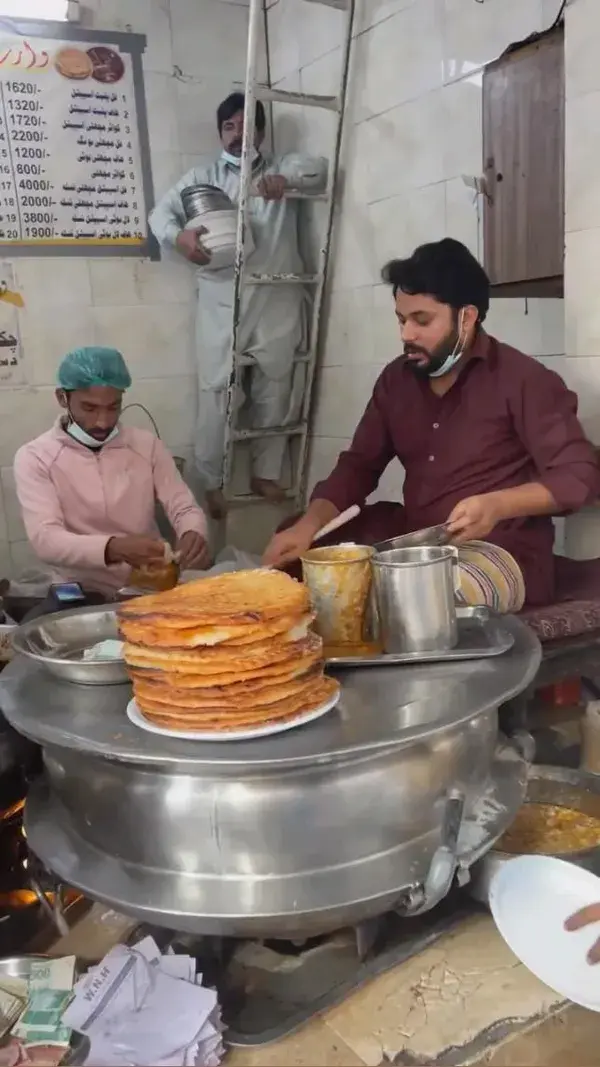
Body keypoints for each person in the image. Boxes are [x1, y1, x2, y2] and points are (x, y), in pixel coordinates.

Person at [264, 239, 600, 607]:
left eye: (422, 321)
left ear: (466, 318)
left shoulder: (524, 380)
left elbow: (578, 475)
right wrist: (309, 525)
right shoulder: (397, 380)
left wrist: (497, 506)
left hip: (501, 551)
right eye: (402, 320)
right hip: (418, 543)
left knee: (428, 596)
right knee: (300, 546)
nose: (407, 334)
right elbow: (359, 465)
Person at [149, 91, 327, 520]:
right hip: (221, 295)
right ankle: (212, 481)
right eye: (230, 126)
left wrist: (287, 182)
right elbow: (159, 216)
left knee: (277, 383)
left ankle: (266, 472)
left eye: (247, 126)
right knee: (216, 392)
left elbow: (318, 171)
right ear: (220, 132)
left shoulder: (279, 170)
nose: (238, 135)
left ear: (261, 133)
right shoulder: (202, 176)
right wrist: (180, 238)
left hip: (277, 293)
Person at [14, 347, 210, 601]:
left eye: (113, 407)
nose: (103, 422)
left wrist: (193, 532)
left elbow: (183, 507)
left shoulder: (145, 446)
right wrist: (114, 548)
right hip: (80, 591)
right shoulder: (36, 457)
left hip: (151, 586)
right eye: (89, 408)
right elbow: (46, 540)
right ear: (63, 399)